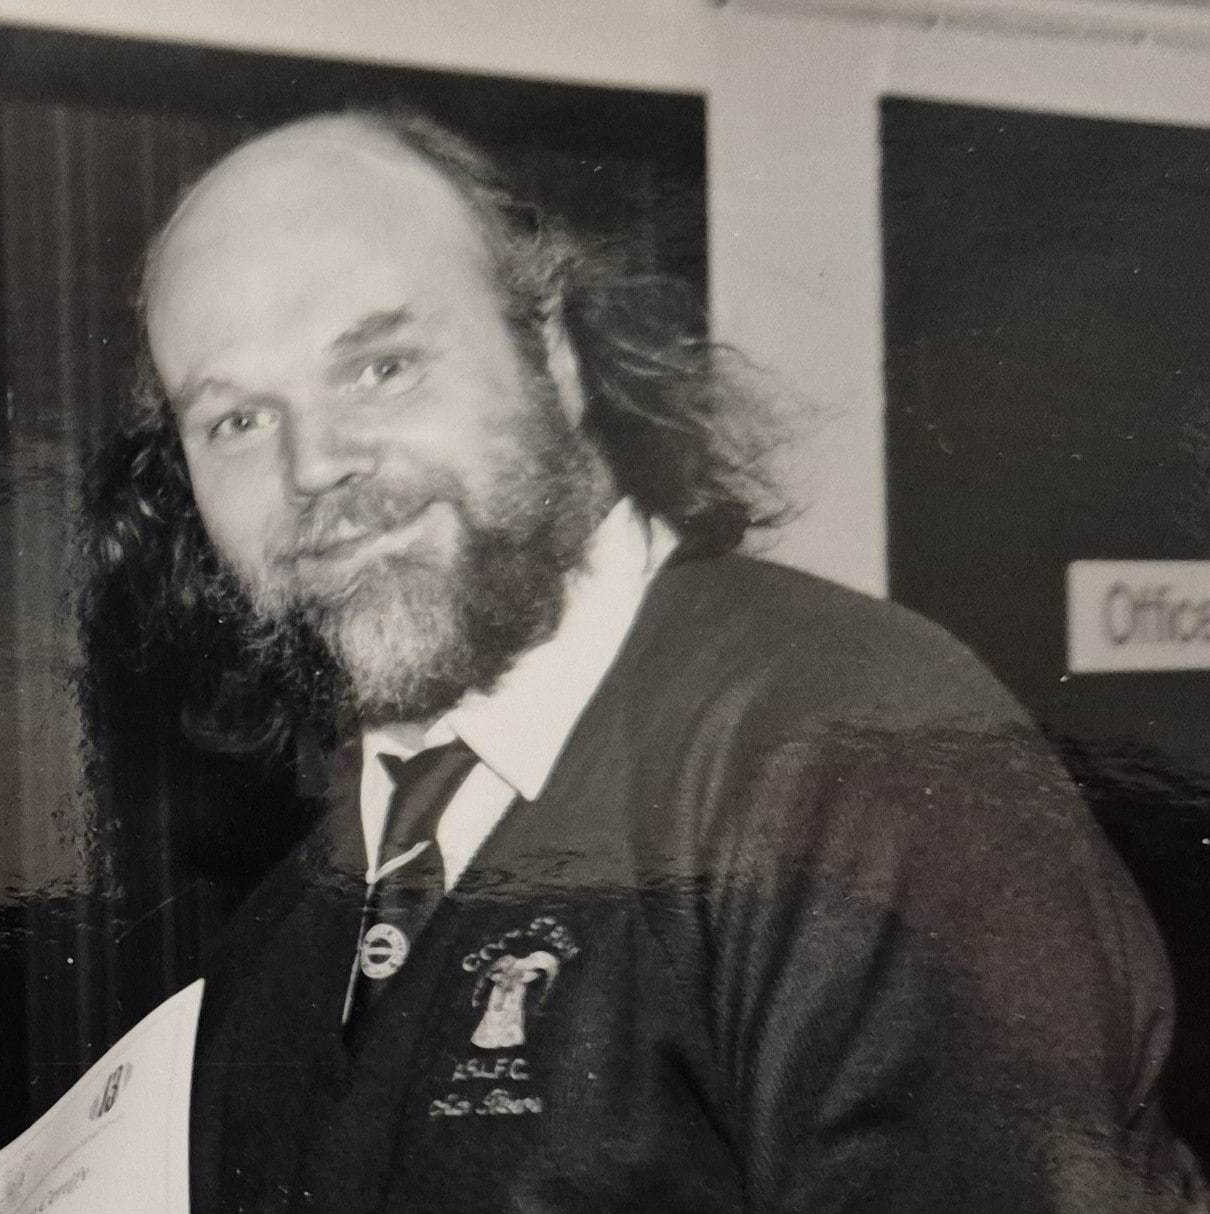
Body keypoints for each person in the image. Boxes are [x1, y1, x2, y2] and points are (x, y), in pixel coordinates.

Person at [83, 109, 1207, 1212]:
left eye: (381, 366)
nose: (316, 463)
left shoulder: (858, 761)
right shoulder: (287, 934)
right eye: (235, 422)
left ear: (557, 359)